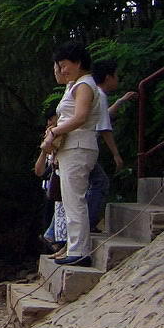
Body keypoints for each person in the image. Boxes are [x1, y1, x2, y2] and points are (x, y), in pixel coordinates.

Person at [41, 42, 101, 266]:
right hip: (69, 149)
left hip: (78, 146)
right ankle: (74, 247)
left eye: (64, 65)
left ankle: (80, 250)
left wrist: (54, 131)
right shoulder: (74, 85)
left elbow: (80, 117)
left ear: (78, 63)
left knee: (75, 200)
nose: (62, 70)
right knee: (70, 200)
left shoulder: (84, 85)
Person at [86, 59, 135, 231]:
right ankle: (89, 223)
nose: (118, 79)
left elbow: (102, 116)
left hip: (81, 148)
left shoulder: (95, 93)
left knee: (90, 184)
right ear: (108, 77)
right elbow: (105, 128)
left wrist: (120, 101)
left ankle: (85, 223)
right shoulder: (100, 96)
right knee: (100, 183)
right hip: (85, 148)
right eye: (116, 76)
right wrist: (116, 154)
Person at [35, 105, 67, 255]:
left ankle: (55, 240)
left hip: (57, 182)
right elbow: (39, 170)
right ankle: (54, 242)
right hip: (52, 185)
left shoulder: (63, 131)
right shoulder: (53, 135)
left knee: (59, 213)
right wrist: (45, 149)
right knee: (55, 213)